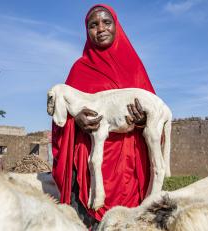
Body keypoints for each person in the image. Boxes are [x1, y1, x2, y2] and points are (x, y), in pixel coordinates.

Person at [51, 4, 156, 228]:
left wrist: (142, 120)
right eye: (93, 25)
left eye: (106, 22)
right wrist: (75, 119)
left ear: (116, 26)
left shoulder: (134, 67)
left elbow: (154, 112)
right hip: (89, 164)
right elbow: (61, 115)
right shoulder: (79, 69)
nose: (100, 28)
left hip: (127, 166)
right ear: (86, 31)